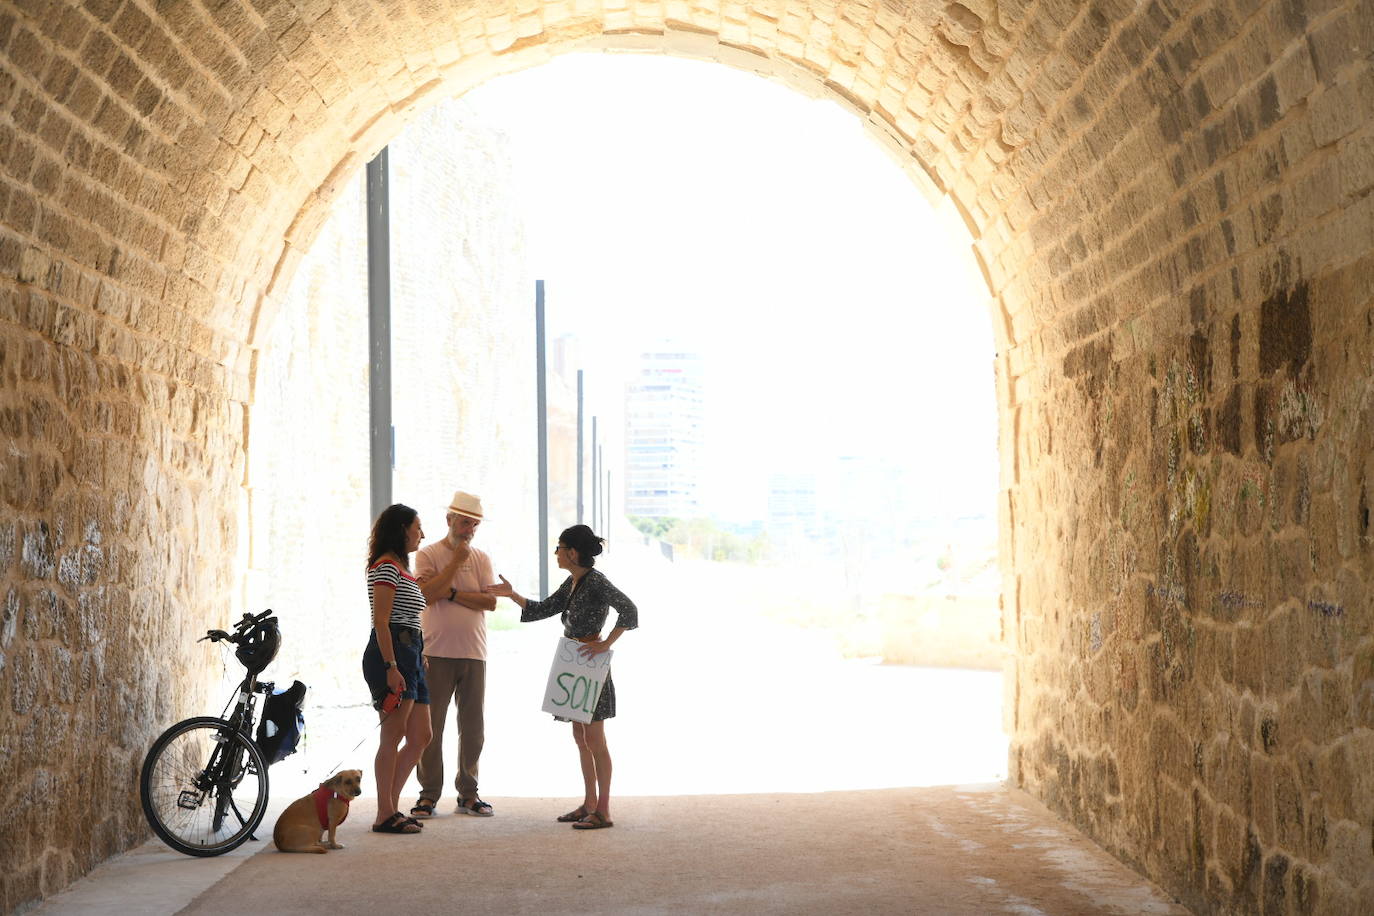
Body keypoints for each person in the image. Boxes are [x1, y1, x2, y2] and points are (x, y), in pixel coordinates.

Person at [486, 524, 638, 830]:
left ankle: (604, 810)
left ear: (572, 552)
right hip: (574, 663)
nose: (555, 553)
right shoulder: (572, 583)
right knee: (581, 737)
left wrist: (606, 643)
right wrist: (511, 594)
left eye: (559, 547)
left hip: (590, 664)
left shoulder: (596, 582)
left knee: (595, 739)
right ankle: (590, 803)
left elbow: (629, 610)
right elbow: (543, 609)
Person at [360, 503, 466, 835]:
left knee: (421, 736)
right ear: (402, 529)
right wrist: (392, 665)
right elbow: (381, 622)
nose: (422, 533)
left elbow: (408, 617)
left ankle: (390, 806)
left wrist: (417, 653)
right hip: (391, 653)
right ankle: (384, 813)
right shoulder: (386, 568)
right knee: (392, 734)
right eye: (418, 527)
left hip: (412, 653)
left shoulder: (402, 569)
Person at [410, 490, 497, 819]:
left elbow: (490, 602)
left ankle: (468, 793)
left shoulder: (483, 558)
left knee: (473, 728)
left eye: (474, 524)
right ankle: (428, 794)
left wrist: (455, 592)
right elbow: (426, 595)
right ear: (449, 520)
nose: (469, 529)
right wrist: (455, 567)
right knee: (431, 727)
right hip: (435, 652)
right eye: (464, 522)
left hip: (474, 652)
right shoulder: (428, 555)